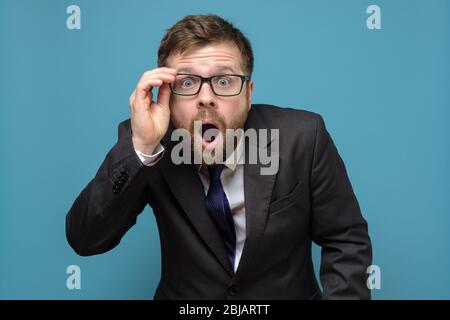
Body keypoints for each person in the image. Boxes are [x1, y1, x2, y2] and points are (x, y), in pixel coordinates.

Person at [66, 14, 372, 299]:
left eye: (224, 82)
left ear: (249, 93)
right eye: (187, 83)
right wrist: (142, 149)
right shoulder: (149, 141)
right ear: (167, 98)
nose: (206, 97)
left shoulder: (302, 137)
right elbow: (85, 239)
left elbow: (345, 238)